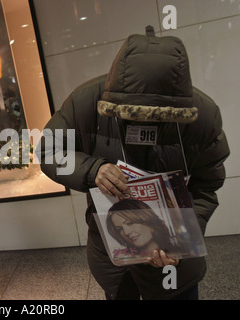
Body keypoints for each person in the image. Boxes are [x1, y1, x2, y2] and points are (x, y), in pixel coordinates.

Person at [39, 27, 229, 300]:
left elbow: (208, 184)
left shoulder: (201, 116)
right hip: (113, 253)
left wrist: (182, 239)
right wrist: (93, 169)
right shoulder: (87, 101)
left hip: (173, 256)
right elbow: (49, 150)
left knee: (177, 290)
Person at [106, 199, 177, 258]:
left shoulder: (178, 251)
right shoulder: (123, 258)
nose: (126, 232)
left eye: (130, 223)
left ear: (149, 221)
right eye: (119, 229)